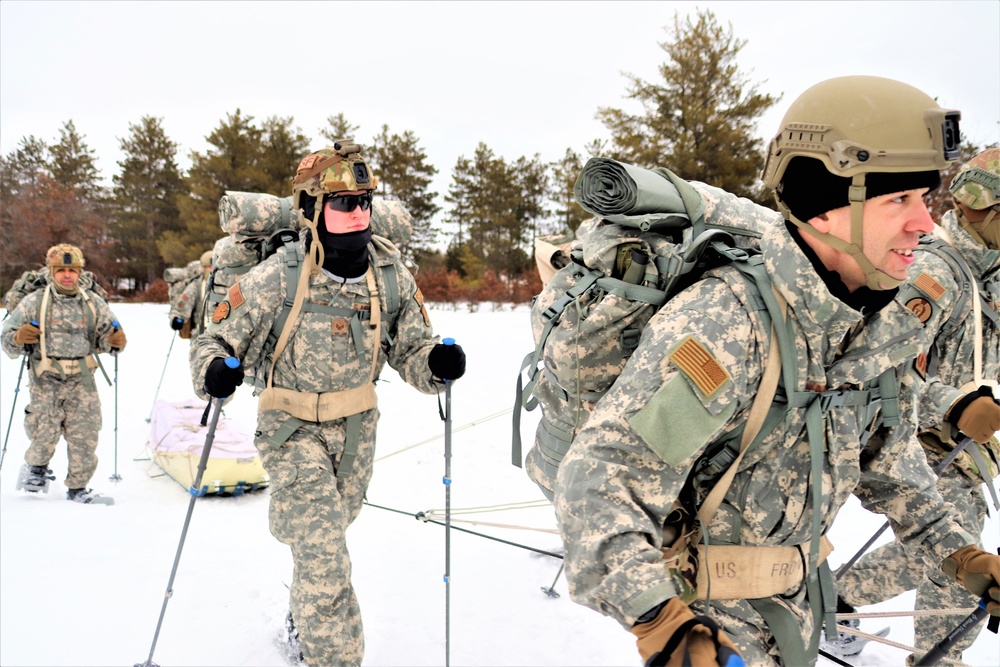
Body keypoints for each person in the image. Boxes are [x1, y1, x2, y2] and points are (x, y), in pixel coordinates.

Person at [553, 75, 1000, 666]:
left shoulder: (870, 325)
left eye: (925, 199)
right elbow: (603, 479)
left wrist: (960, 556)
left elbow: (890, 464)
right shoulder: (731, 321)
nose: (924, 222)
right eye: (900, 201)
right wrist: (659, 620)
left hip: (794, 612)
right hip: (714, 624)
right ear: (830, 207)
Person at [189, 143, 466, 667]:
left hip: (357, 430)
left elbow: (409, 348)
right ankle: (333, 656)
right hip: (290, 428)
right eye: (342, 203)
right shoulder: (279, 275)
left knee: (328, 538)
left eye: (364, 200)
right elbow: (216, 338)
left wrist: (435, 364)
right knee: (324, 552)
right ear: (314, 209)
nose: (357, 211)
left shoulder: (389, 276)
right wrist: (215, 369)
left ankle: (305, 616)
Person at [828, 148, 1000, 664]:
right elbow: (875, 374)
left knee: (942, 544)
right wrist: (953, 407)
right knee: (957, 547)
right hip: (911, 443)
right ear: (983, 208)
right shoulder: (932, 274)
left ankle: (835, 600)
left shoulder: (987, 277)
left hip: (961, 451)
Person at [1, 244, 127, 504]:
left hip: (82, 379)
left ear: (80, 272)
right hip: (44, 377)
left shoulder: (93, 303)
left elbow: (107, 338)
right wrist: (18, 336)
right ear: (51, 271)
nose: (67, 275)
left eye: (72, 270)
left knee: (86, 432)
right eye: (61, 270)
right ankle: (35, 468)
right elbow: (7, 341)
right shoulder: (34, 302)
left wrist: (116, 341)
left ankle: (78, 487)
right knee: (43, 430)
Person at [167, 250, 212, 338]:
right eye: (209, 267)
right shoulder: (196, 285)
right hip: (201, 333)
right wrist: (177, 319)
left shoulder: (228, 284)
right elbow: (182, 305)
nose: (212, 270)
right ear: (203, 268)